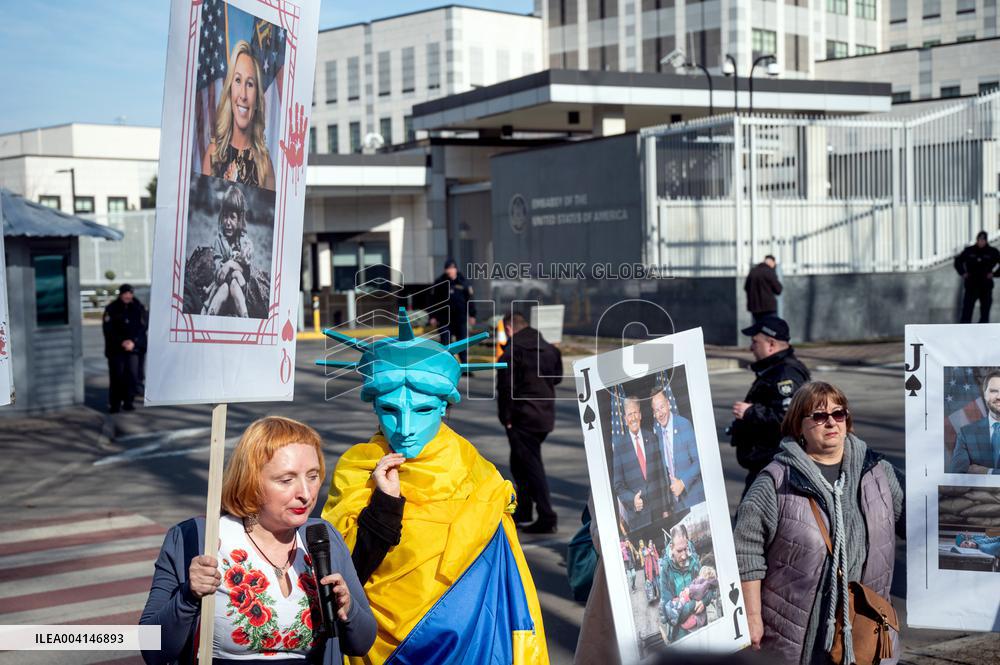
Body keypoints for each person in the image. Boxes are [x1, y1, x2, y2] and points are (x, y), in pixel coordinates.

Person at [320, 308, 548, 664]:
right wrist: (383, 505)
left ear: (444, 407)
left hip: (469, 645)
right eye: (390, 410)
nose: (406, 427)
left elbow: (505, 585)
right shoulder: (356, 468)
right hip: (374, 646)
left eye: (423, 410)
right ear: (374, 409)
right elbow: (344, 572)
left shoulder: (478, 474)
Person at [140, 416, 376, 664]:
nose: (306, 494)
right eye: (286, 480)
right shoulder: (198, 538)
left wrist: (347, 609)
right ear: (251, 481)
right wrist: (188, 596)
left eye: (313, 476)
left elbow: (361, 643)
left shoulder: (322, 538)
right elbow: (151, 647)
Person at [734, 382, 904, 665]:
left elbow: (922, 517)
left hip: (866, 629)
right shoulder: (775, 482)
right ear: (798, 426)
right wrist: (752, 619)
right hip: (798, 636)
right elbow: (746, 553)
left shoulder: (878, 472)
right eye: (819, 416)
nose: (831, 423)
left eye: (839, 414)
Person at [729, 315, 811, 496]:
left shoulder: (786, 373)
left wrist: (750, 412)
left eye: (755, 342)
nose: (751, 347)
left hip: (776, 466)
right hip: (767, 465)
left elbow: (789, 416)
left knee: (751, 520)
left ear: (771, 344)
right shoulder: (775, 370)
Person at [497, 311, 563, 533]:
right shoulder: (550, 349)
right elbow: (557, 378)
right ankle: (524, 510)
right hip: (544, 415)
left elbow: (506, 388)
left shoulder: (513, 352)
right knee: (519, 463)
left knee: (531, 466)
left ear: (508, 329)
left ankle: (547, 517)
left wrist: (505, 417)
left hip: (522, 418)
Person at [202, 40, 276, 190]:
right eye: (237, 80)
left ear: (257, 100)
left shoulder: (264, 164)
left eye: (250, 84)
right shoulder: (213, 154)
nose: (243, 95)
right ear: (229, 91)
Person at [204, 185, 270, 318]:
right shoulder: (218, 241)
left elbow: (246, 274)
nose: (228, 222)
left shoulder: (245, 242)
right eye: (225, 217)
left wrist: (231, 264)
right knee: (224, 288)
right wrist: (232, 265)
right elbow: (219, 273)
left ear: (239, 219)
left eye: (232, 217)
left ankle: (244, 317)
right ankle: (208, 317)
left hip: (239, 293)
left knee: (234, 284)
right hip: (222, 289)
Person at [612, 396, 667, 540]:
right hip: (638, 518)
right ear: (625, 419)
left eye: (636, 413)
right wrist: (632, 500)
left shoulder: (652, 438)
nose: (633, 418)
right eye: (630, 414)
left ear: (641, 415)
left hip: (658, 513)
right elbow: (618, 485)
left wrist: (666, 509)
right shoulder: (619, 448)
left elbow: (662, 476)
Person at [650, 387, 704, 512]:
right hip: (676, 506)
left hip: (694, 497)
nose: (660, 413)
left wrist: (683, 483)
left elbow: (699, 461)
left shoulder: (684, 425)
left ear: (668, 404)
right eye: (656, 410)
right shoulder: (657, 434)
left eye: (662, 407)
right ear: (653, 413)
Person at [657, 524, 706, 643]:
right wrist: (693, 604)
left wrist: (704, 601)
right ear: (671, 547)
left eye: (685, 549)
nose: (684, 555)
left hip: (700, 622)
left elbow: (709, 587)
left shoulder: (694, 560)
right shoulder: (666, 570)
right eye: (679, 551)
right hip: (680, 631)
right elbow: (670, 615)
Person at [102, 284, 147, 413]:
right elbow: (108, 330)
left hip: (134, 348)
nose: (128, 296)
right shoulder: (111, 308)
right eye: (125, 293)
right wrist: (122, 342)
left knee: (132, 376)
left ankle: (128, 401)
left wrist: (133, 342)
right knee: (117, 378)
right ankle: (115, 404)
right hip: (116, 350)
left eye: (130, 293)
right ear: (120, 294)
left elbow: (143, 327)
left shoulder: (138, 308)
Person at [950, 370, 1000, 474]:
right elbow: (957, 477)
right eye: (994, 391)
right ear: (985, 394)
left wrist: (988, 472)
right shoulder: (966, 433)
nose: (999, 397)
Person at [428, 259, 476, 364]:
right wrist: (432, 316)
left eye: (451, 268)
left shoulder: (463, 282)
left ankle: (464, 366)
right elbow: (433, 301)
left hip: (460, 319)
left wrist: (472, 315)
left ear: (455, 269)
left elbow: (470, 300)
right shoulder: (440, 282)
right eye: (447, 269)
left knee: (462, 343)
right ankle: (446, 365)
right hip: (445, 319)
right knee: (445, 344)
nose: (449, 271)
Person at [954, 231, 1000, 323]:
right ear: (977, 240)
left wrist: (994, 274)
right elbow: (958, 261)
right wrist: (963, 273)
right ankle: (964, 332)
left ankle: (983, 334)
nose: (981, 242)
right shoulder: (969, 251)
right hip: (971, 285)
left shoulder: (992, 252)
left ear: (986, 241)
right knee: (967, 311)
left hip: (985, 286)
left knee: (985, 313)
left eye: (983, 240)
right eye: (979, 240)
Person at [664, 565, 719, 631]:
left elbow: (699, 591)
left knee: (681, 603)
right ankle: (674, 608)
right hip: (688, 615)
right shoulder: (703, 584)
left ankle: (674, 609)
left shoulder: (703, 584)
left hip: (691, 617)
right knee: (680, 601)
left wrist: (689, 591)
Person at [745, 255, 783, 322]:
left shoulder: (753, 272)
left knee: (758, 329)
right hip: (769, 308)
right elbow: (778, 289)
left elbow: (746, 287)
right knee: (771, 328)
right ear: (772, 262)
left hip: (755, 308)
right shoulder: (769, 272)